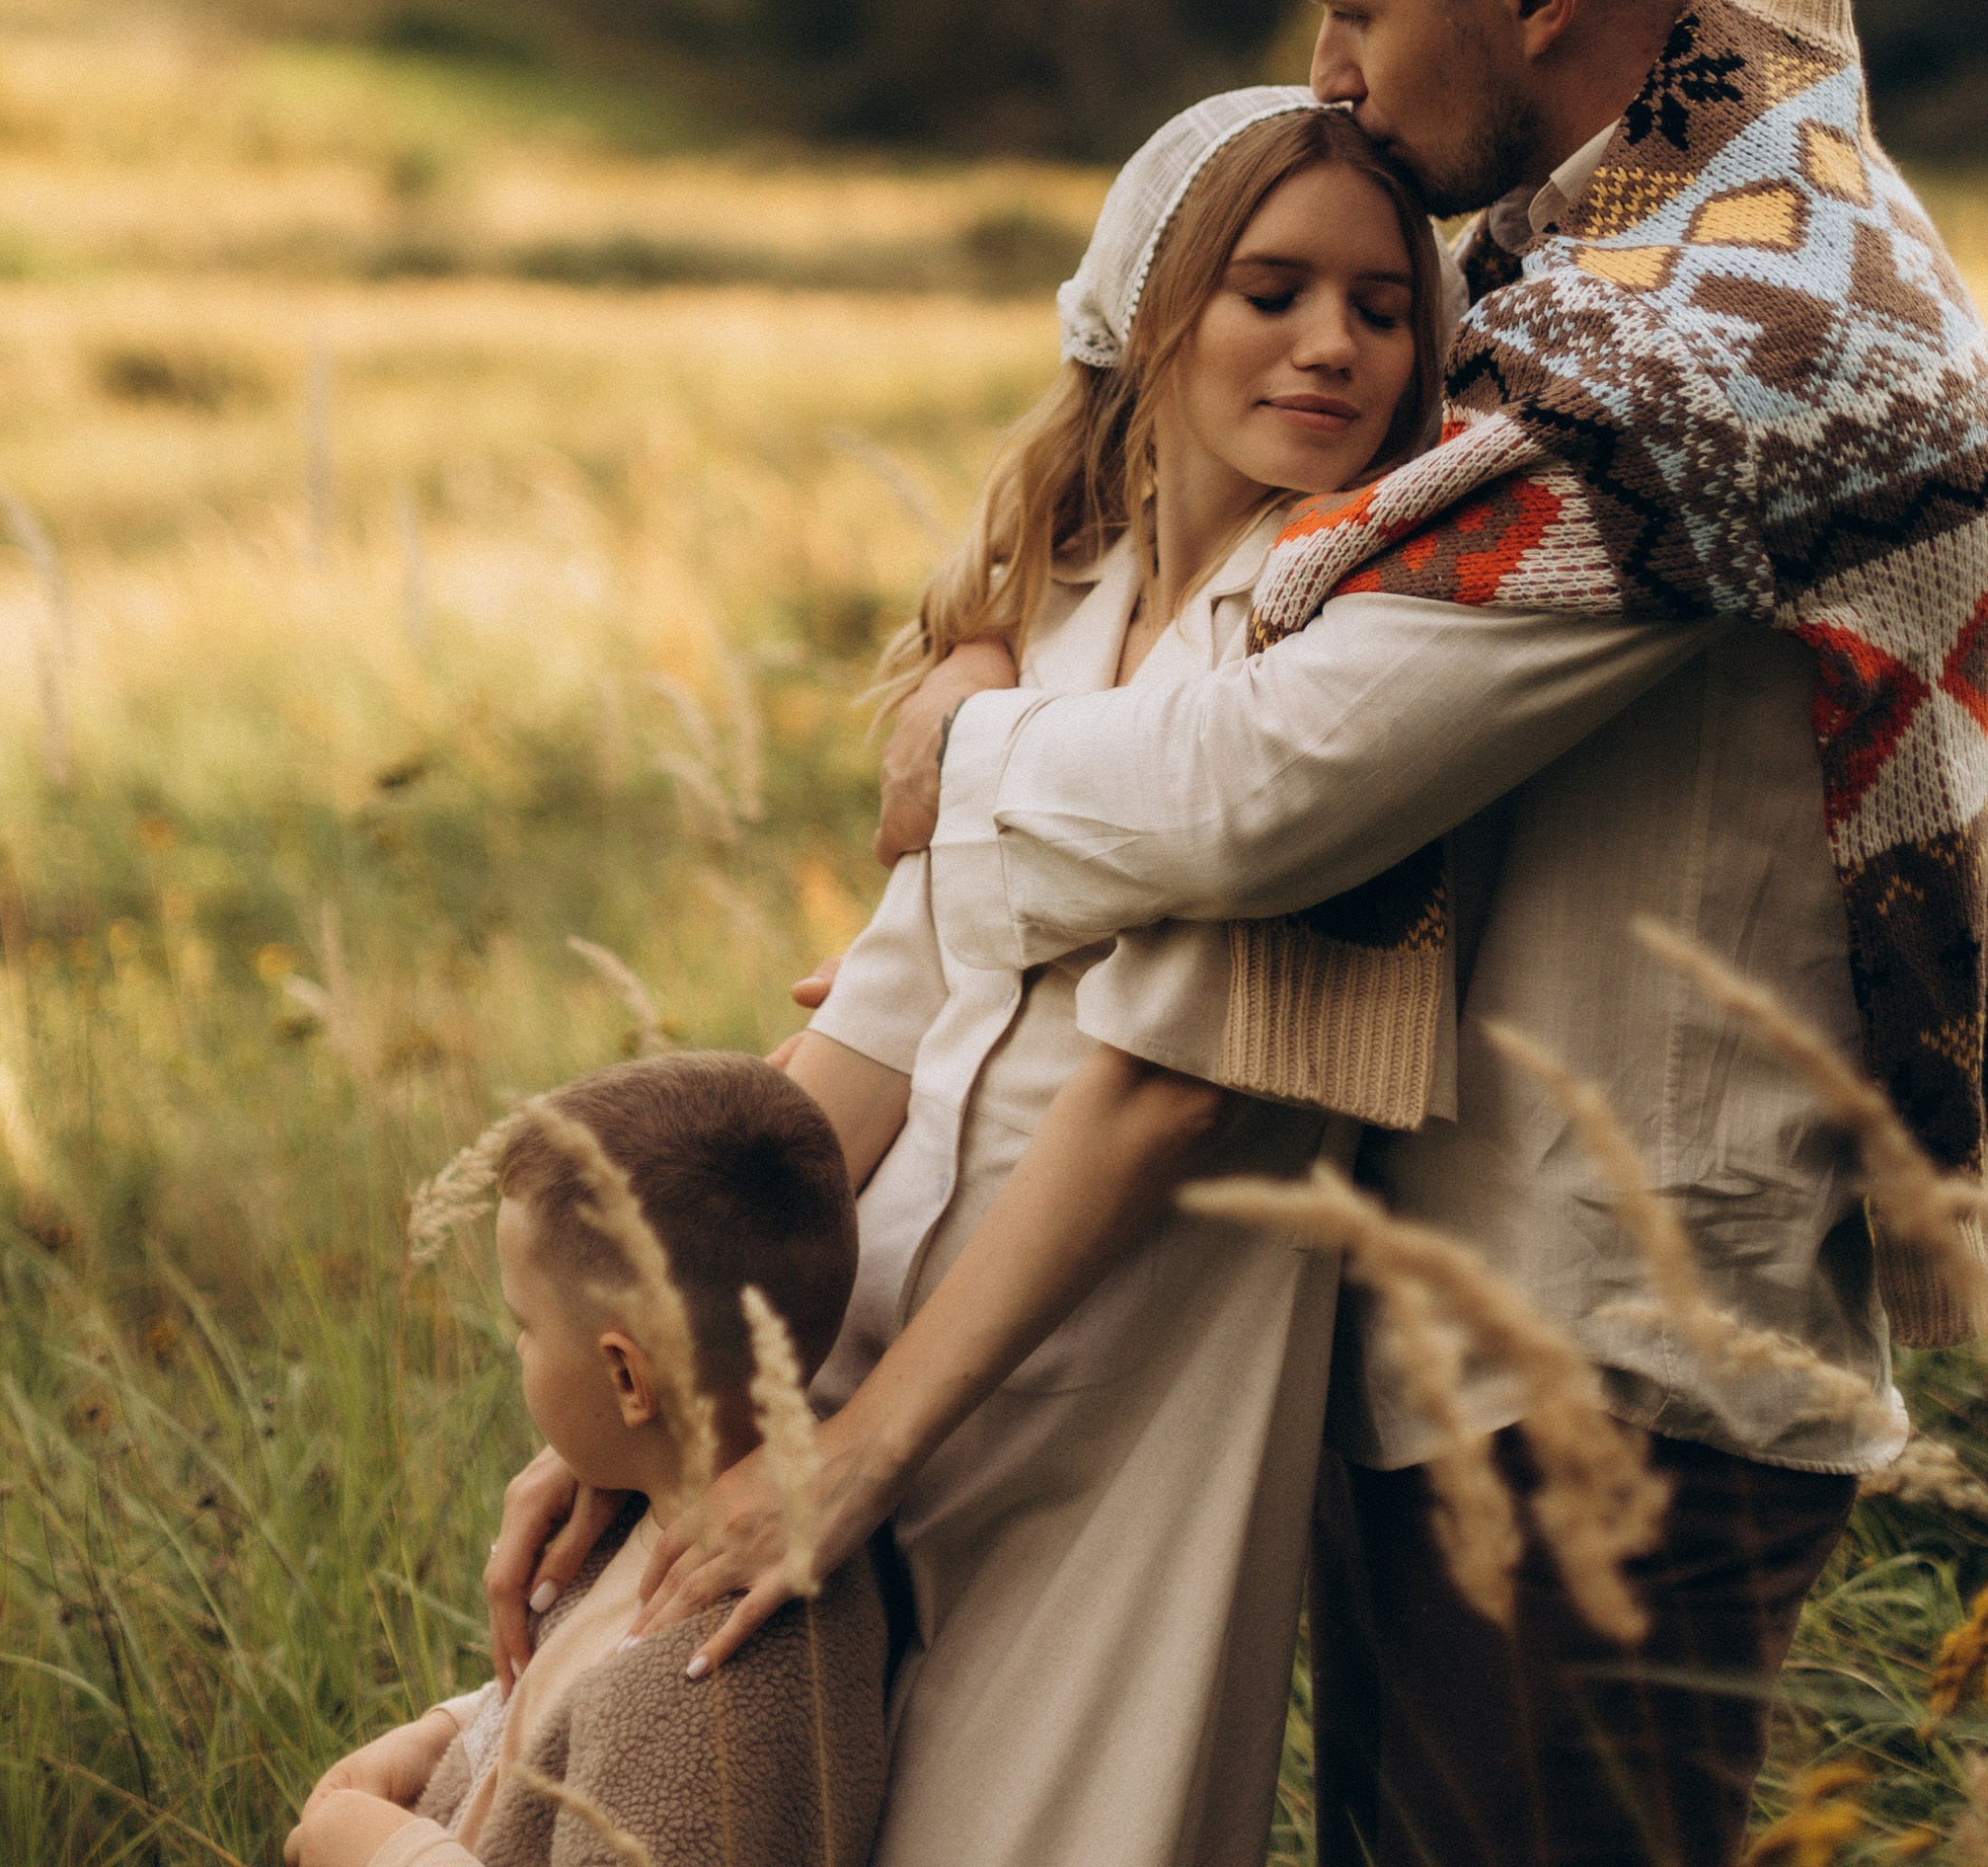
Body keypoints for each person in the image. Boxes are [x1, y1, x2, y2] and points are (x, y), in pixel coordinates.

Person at [864, 0, 1988, 1867]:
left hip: (1615, 1346)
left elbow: (1260, 788)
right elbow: (1194, 331)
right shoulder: (1619, 230)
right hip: (1479, 1315)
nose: (1324, 77)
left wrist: (966, 745)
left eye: (1345, 18)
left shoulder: (1740, 338)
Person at [490, 94, 1452, 1867]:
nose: (1335, 345)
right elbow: (876, 1025)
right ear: (1146, 312)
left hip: (1113, 1388)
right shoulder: (1055, 605)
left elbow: (1172, 1080)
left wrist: (861, 1458)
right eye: (1273, 290)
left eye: (1383, 309)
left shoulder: (1350, 645)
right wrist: (655, 1391)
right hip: (842, 1353)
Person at [286, 1053, 887, 1867]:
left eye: (523, 1325)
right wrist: (451, 1736)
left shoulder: (711, 1689)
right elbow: (569, 1699)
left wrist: (380, 1853)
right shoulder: (638, 1518)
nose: (516, 1350)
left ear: (627, 1377)